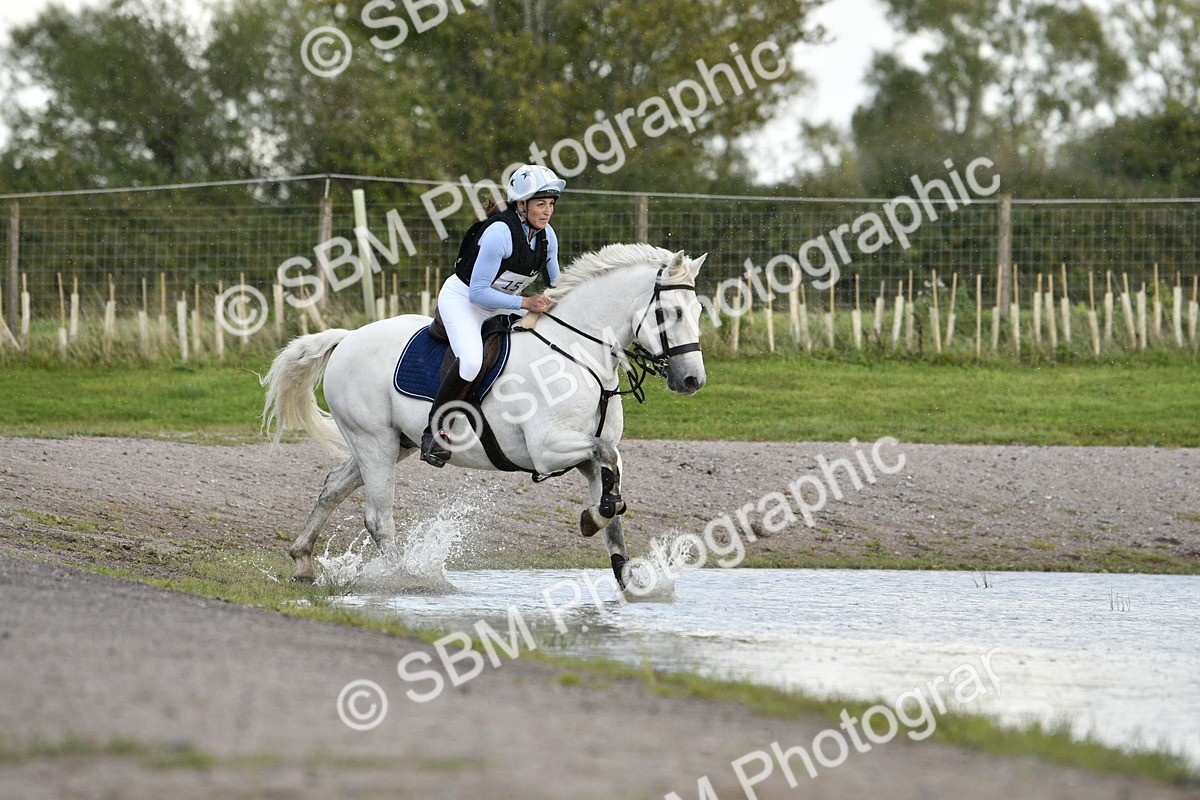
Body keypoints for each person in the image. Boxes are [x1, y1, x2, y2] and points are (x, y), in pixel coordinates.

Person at [419, 163, 565, 467]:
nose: (547, 211)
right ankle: (436, 430)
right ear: (521, 205)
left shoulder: (547, 237)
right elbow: (478, 293)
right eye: (541, 204)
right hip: (464, 301)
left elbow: (556, 285)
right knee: (472, 361)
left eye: (551, 204)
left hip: (501, 303)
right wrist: (525, 303)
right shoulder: (500, 232)